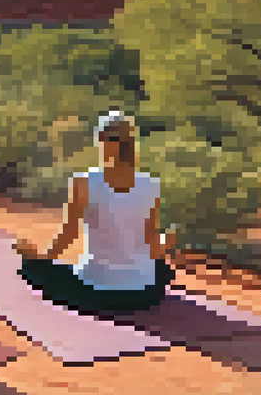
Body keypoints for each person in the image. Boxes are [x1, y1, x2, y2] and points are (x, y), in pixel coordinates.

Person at [14, 111, 176, 313]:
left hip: (97, 291)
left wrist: (39, 259)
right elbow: (153, 247)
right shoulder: (151, 185)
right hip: (144, 294)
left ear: (101, 140)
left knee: (32, 268)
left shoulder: (83, 182)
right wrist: (166, 242)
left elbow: (70, 234)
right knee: (160, 268)